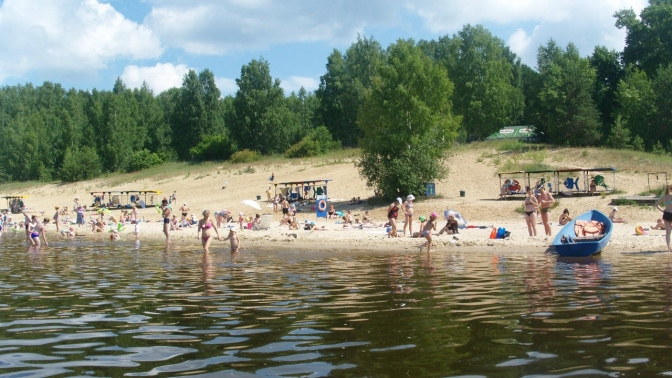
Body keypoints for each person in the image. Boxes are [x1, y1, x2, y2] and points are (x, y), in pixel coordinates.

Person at [655, 185, 672, 253]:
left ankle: (668, 248)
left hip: (666, 214)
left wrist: (662, 210)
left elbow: (656, 204)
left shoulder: (664, 196)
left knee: (668, 232)